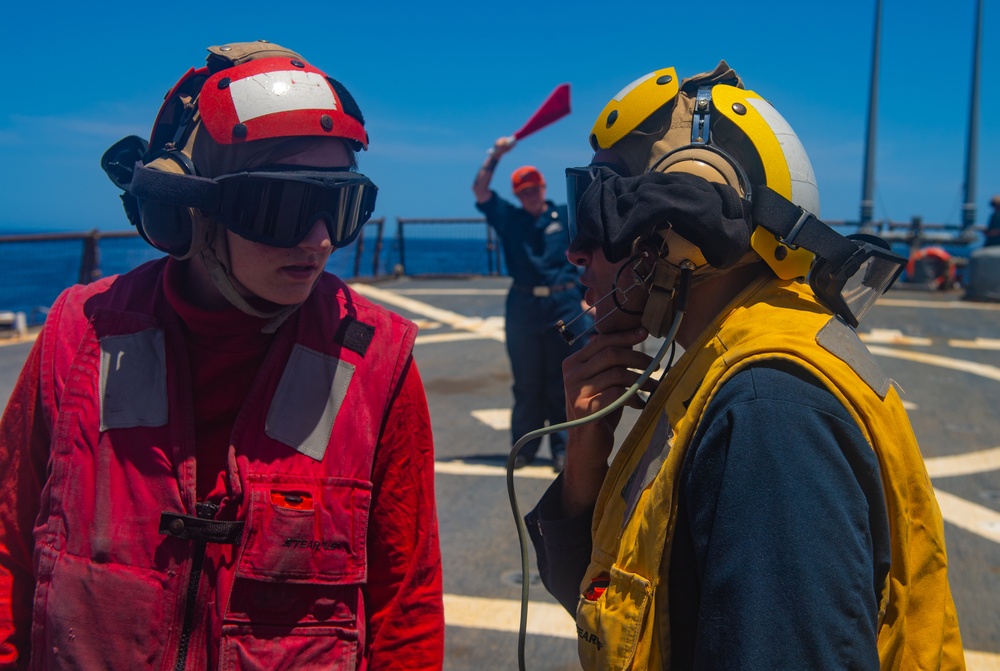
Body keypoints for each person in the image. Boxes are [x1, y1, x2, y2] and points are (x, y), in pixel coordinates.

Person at [0, 41, 444, 670]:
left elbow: (406, 607)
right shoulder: (77, 336)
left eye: (342, 206)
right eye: (285, 206)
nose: (320, 241)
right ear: (186, 211)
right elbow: (9, 549)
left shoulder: (376, 363)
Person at [526, 62, 966, 669]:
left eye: (602, 210)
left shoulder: (768, 412)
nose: (577, 248)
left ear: (676, 227)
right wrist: (585, 461)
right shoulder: (717, 369)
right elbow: (619, 609)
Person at [473, 139, 591, 472]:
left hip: (565, 303)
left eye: (533, 189)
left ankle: (563, 448)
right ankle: (523, 448)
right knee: (526, 382)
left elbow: (595, 248)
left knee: (561, 380)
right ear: (516, 194)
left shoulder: (567, 215)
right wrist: (495, 156)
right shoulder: (510, 219)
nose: (530, 195)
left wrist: (591, 295)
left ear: (543, 187)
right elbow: (480, 190)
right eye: (523, 191)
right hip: (524, 304)